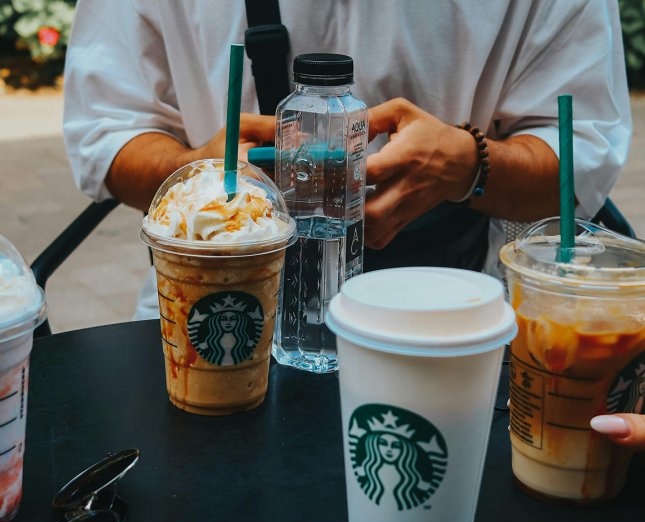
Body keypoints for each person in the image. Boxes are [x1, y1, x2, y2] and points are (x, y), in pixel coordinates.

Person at [62, 0, 631, 320]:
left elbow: (580, 155)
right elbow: (108, 134)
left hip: (453, 315)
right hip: (212, 309)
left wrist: (469, 165)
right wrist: (204, 175)